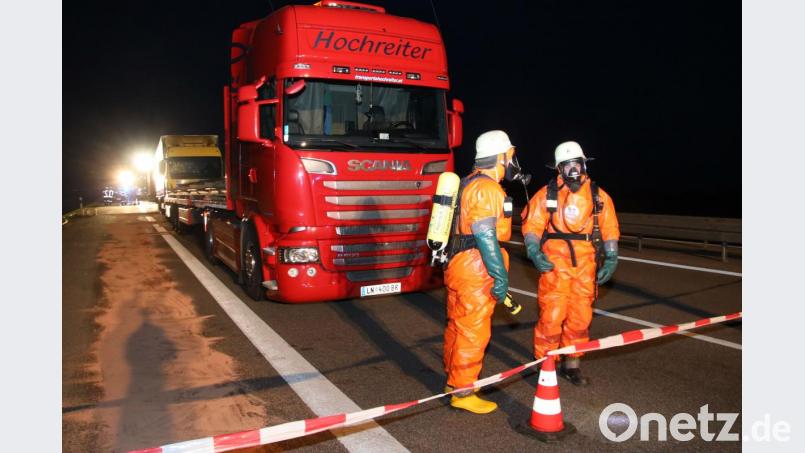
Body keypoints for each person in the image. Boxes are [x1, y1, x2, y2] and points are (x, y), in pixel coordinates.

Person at [521, 141, 620, 386]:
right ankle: (545, 364)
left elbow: (609, 228)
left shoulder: (598, 196)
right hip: (555, 266)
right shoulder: (547, 194)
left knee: (580, 318)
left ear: (584, 165)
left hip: (586, 267)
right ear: (559, 169)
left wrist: (611, 257)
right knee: (551, 317)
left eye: (576, 164)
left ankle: (572, 364)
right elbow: (532, 224)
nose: (573, 170)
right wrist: (533, 250)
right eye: (567, 166)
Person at [443, 130, 528, 413]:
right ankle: (464, 393)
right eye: (511, 155)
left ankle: (454, 381)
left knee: (458, 325)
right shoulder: (488, 189)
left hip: (459, 264)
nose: (513, 162)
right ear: (500, 157)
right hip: (477, 267)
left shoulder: (468, 182)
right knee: (473, 331)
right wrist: (499, 277)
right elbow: (486, 236)